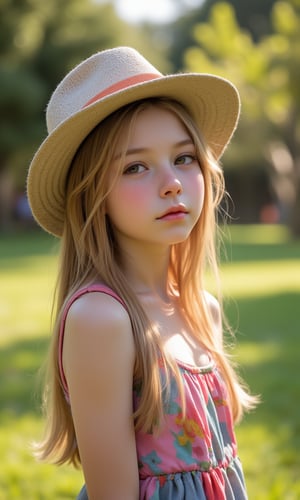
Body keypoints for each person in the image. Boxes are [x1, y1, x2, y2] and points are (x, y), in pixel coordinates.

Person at [27, 46, 257, 499]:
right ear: (91, 196)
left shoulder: (201, 310)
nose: (171, 181)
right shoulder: (102, 319)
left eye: (185, 158)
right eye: (135, 167)